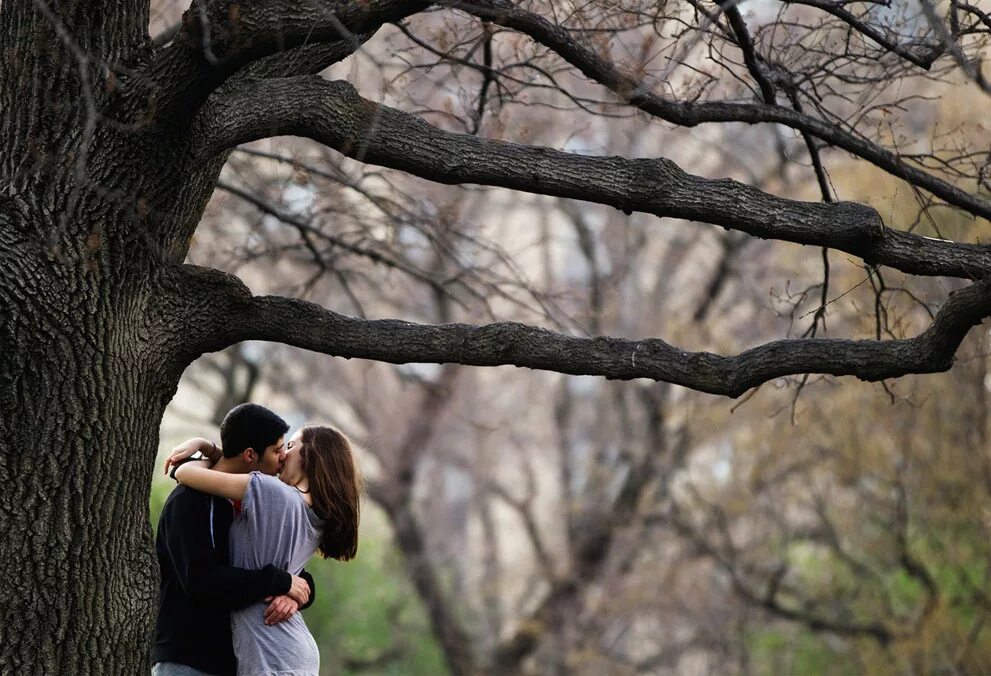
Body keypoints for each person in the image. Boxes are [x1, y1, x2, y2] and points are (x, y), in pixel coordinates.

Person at [172, 424, 362, 676]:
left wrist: (205, 446)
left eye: (291, 447)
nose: (283, 454)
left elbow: (184, 472)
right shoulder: (316, 517)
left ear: (310, 455)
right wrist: (286, 587)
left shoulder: (268, 491)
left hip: (273, 654)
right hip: (287, 651)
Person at [154, 403, 316, 676]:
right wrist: (280, 581)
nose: (282, 459)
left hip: (233, 661)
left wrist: (300, 590)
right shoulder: (191, 501)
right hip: (189, 660)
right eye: (277, 451)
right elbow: (201, 580)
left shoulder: (246, 504)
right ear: (251, 455)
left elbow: (277, 562)